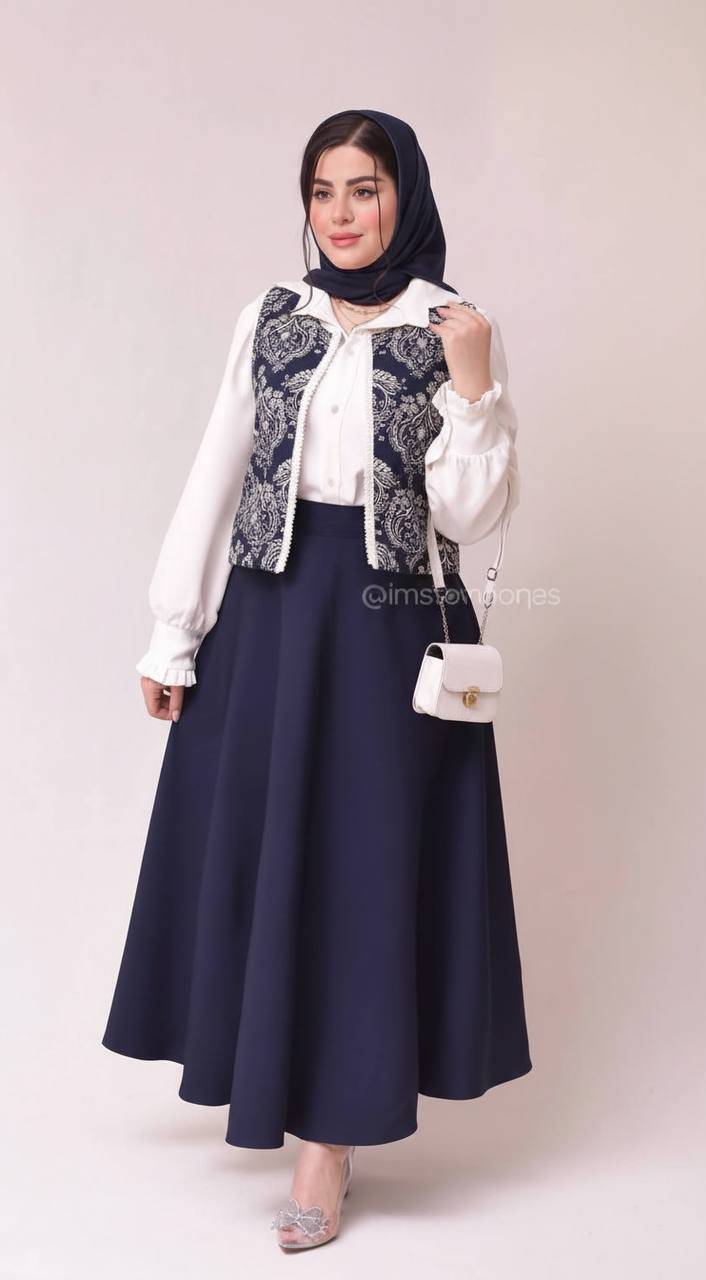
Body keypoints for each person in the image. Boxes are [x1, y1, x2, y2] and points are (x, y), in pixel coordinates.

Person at [101, 107, 532, 1251]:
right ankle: (273, 1084)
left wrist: (473, 387)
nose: (341, 214)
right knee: (261, 849)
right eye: (323, 190)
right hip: (270, 616)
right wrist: (173, 632)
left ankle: (328, 1140)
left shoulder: (451, 323)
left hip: (389, 624)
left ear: (405, 195)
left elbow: (470, 514)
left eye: (365, 189)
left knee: (362, 866)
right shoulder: (271, 315)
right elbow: (219, 464)